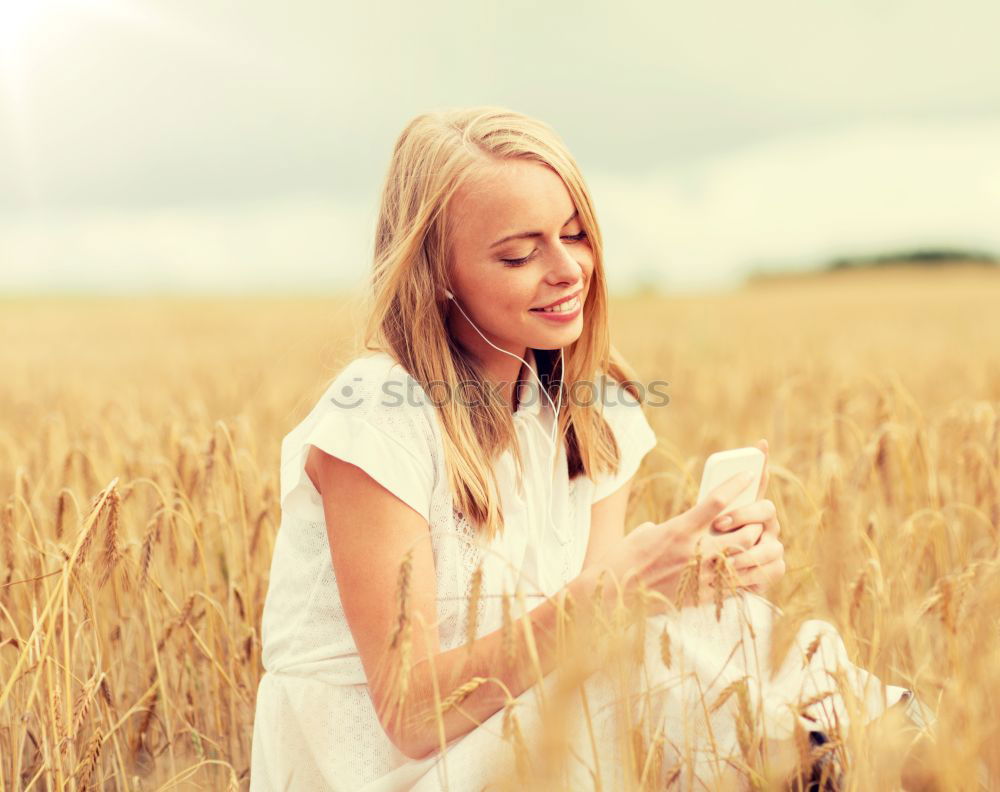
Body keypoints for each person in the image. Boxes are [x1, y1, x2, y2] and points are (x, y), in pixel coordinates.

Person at [249, 106, 934, 791]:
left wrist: (697, 581)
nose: (567, 269)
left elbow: (590, 634)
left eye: (575, 236)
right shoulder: (377, 411)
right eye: (519, 253)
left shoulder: (594, 406)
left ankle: (894, 759)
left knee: (717, 636)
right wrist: (622, 591)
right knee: (649, 670)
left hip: (533, 734)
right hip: (385, 768)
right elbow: (412, 712)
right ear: (437, 273)